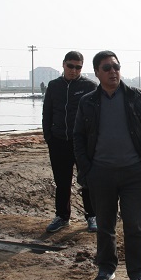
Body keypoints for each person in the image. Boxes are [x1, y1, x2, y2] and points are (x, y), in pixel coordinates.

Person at [74, 51, 141, 280]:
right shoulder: (88, 102)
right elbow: (78, 136)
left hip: (134, 174)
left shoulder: (137, 97)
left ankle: (137, 273)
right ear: (97, 73)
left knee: (135, 226)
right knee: (105, 225)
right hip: (101, 174)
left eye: (116, 67)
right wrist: (87, 168)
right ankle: (106, 268)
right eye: (107, 68)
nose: (113, 71)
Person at [42, 51, 98, 233]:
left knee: (87, 180)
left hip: (82, 143)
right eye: (70, 66)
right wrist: (49, 137)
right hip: (58, 141)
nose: (74, 70)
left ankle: (92, 216)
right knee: (62, 182)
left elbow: (97, 115)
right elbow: (47, 112)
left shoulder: (90, 86)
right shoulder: (54, 86)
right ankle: (62, 216)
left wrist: (92, 140)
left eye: (78, 67)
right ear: (63, 64)